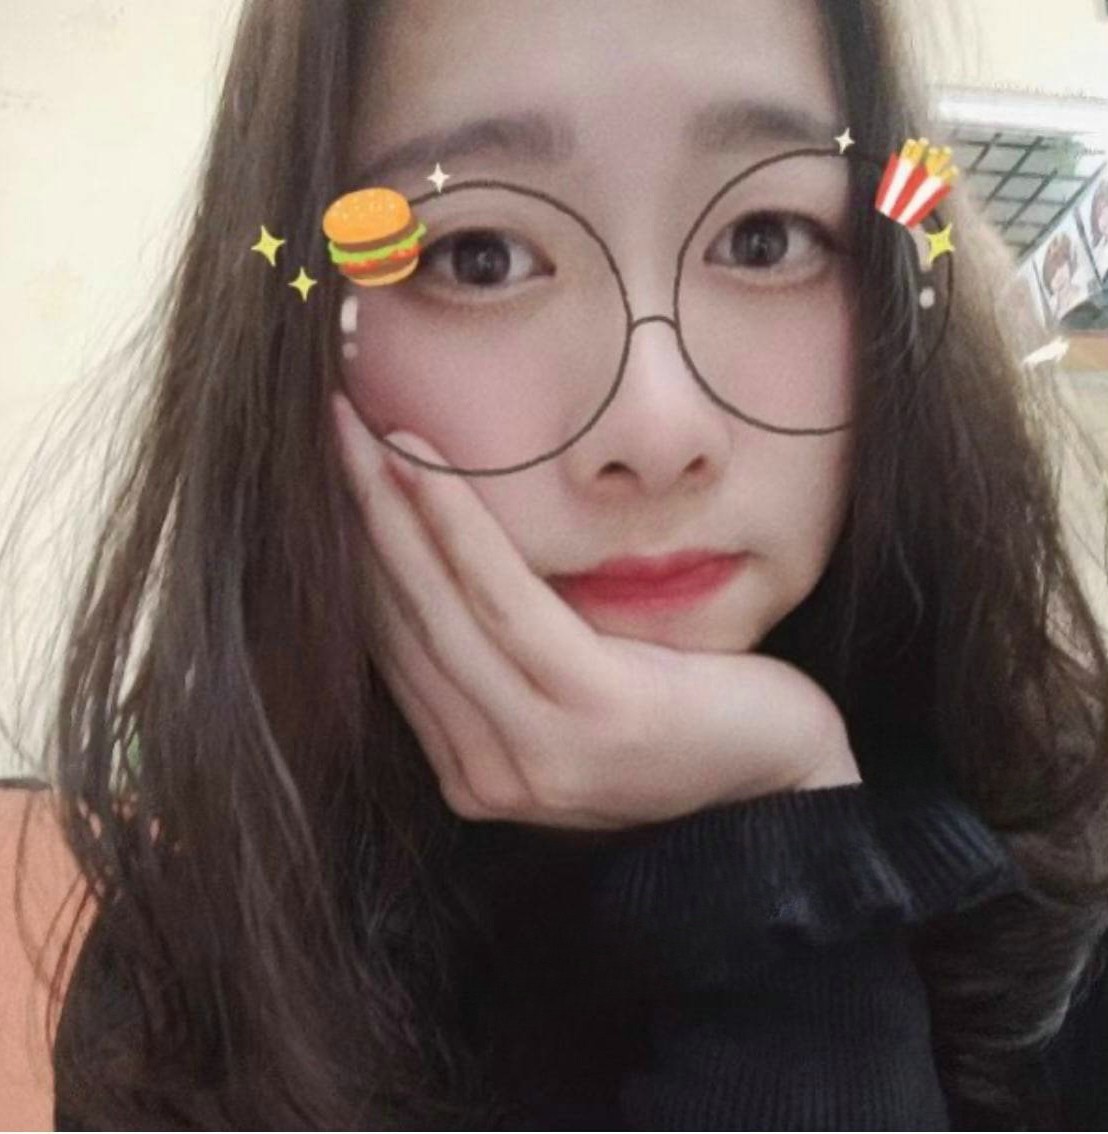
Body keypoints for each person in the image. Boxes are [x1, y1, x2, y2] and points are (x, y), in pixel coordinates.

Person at [2, 0, 1108, 1129]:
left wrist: (789, 855)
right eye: (477, 258)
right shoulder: (197, 971)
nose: (657, 426)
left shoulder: (1079, 883)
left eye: (765, 239)